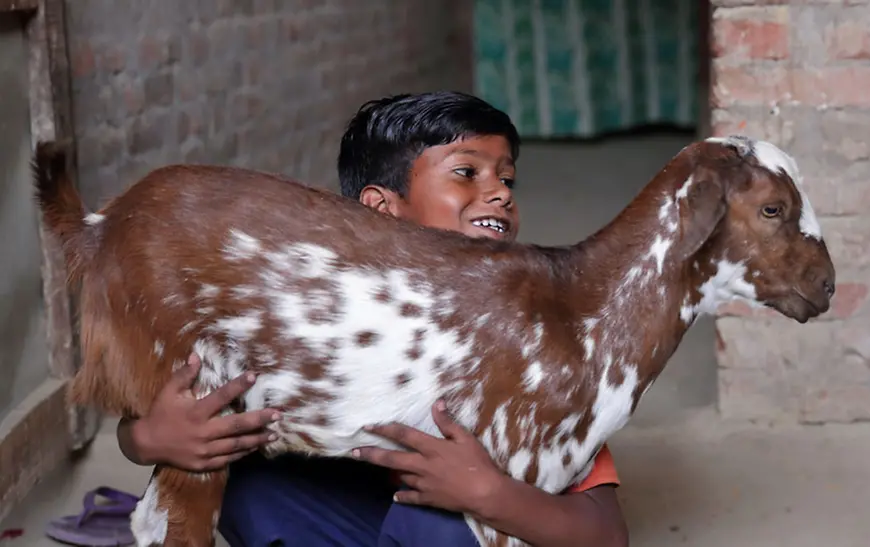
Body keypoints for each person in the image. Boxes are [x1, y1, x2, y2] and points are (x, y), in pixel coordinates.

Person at [116, 91, 629, 547]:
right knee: (235, 470)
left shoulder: (524, 337)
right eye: (467, 172)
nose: (500, 192)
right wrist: (149, 440)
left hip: (449, 528)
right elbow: (157, 422)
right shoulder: (315, 315)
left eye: (507, 177)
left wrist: (487, 491)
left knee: (434, 518)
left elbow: (604, 533)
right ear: (382, 209)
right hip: (365, 518)